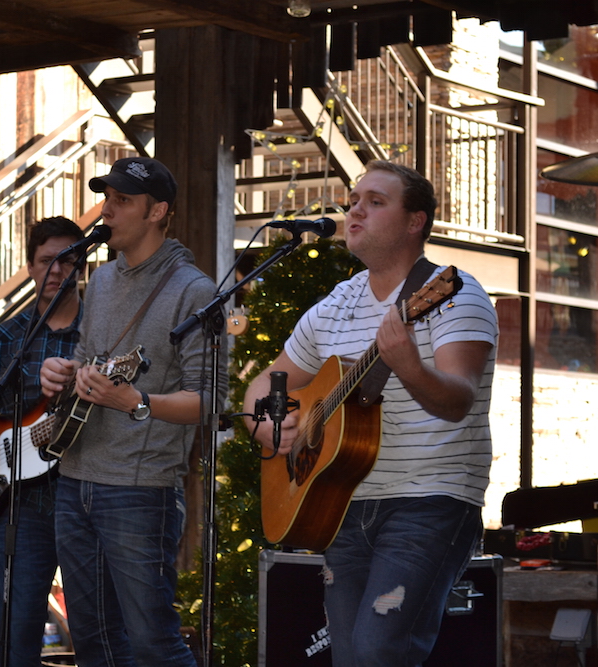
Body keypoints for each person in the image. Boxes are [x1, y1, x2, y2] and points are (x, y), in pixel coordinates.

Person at [243, 160, 497, 666]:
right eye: (355, 199)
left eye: (375, 201)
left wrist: (410, 368)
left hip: (429, 500)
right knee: (351, 656)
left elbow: (457, 399)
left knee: (380, 651)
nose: (355, 209)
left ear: (414, 222)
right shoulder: (335, 305)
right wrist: (267, 425)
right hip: (342, 500)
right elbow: (261, 387)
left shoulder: (452, 295)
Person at [39, 157, 226, 667]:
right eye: (107, 198)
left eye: (122, 201)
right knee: (95, 643)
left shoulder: (194, 291)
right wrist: (60, 372)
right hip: (75, 478)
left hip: (141, 493)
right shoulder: (98, 281)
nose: (108, 211)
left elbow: (211, 401)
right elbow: (87, 361)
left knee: (152, 644)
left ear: (157, 211)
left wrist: (138, 402)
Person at [0, 216, 85, 666]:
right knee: (14, 633)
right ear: (31, 267)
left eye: (67, 260)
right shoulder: (10, 334)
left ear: (82, 265)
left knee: (95, 629)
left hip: (85, 496)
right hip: (20, 507)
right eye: (46, 260)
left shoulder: (100, 333)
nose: (56, 270)